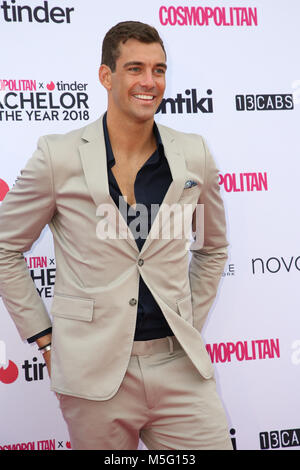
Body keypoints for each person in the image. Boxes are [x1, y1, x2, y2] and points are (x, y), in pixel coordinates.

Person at [0, 21, 232, 450]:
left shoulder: (193, 154)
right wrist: (45, 339)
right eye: (135, 68)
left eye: (159, 70)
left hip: (179, 368)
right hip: (94, 375)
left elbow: (212, 248)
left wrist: (187, 321)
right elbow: (4, 247)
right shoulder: (59, 155)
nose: (149, 82)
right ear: (106, 76)